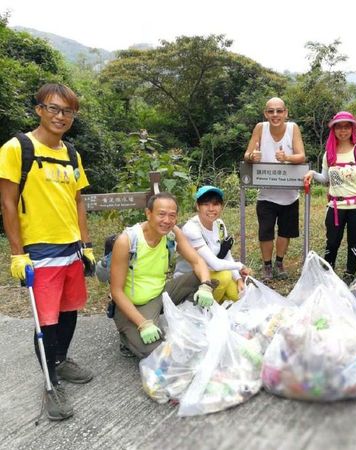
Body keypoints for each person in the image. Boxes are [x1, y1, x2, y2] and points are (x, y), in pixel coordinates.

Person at [0, 83, 94, 421]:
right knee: (46, 321)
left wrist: (86, 244)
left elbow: (79, 200)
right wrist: (17, 253)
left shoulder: (71, 153)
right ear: (39, 108)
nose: (60, 116)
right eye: (53, 108)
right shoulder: (17, 148)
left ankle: (62, 360)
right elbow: (8, 203)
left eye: (67, 111)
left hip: (71, 250)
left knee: (69, 311)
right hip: (39, 251)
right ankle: (50, 383)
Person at [110, 192, 215, 359]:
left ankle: (187, 324)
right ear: (148, 213)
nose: (167, 220)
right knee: (154, 352)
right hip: (133, 304)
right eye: (161, 214)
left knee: (206, 280)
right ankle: (126, 338)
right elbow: (116, 291)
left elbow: (197, 261)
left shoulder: (172, 233)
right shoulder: (127, 240)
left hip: (160, 293)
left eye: (172, 215)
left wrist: (206, 285)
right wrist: (143, 324)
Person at [304, 111, 356, 284]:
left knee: (354, 242)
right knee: (332, 242)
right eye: (339, 127)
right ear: (334, 130)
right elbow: (326, 179)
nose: (343, 131)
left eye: (346, 127)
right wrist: (312, 173)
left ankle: (350, 274)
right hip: (335, 206)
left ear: (352, 129)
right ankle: (329, 272)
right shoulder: (329, 154)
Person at [244, 97, 306, 280]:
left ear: (285, 112)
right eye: (271, 111)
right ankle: (267, 266)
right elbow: (247, 154)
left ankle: (279, 262)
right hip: (266, 194)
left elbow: (301, 156)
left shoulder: (293, 128)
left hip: (289, 195)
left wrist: (286, 157)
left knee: (285, 232)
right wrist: (251, 156)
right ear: (266, 114)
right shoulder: (260, 128)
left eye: (279, 111)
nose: (275, 115)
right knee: (265, 232)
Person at [174, 185, 250, 302]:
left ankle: (220, 302)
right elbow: (216, 265)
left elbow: (226, 255)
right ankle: (209, 309)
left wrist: (238, 278)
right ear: (197, 206)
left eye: (215, 204)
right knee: (224, 276)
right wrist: (240, 266)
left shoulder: (219, 224)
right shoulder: (192, 229)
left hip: (213, 273)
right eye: (206, 204)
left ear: (221, 206)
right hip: (190, 277)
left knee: (238, 295)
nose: (211, 209)